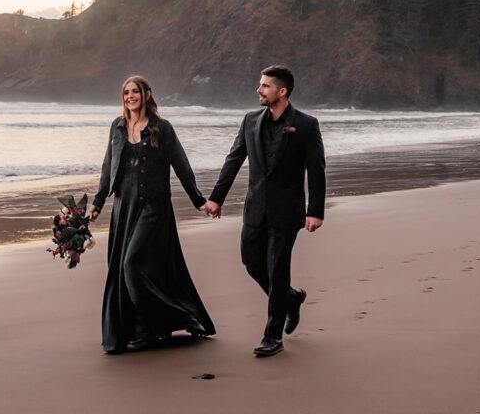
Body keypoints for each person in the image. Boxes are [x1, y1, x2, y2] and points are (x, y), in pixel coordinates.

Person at [200, 65, 325, 357]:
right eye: (260, 85)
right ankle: (291, 298)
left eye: (265, 86)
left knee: (278, 270)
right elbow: (234, 160)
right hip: (255, 208)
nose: (259, 90)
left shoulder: (306, 125)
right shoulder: (250, 120)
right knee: (252, 263)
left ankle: (273, 336)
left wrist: (315, 210)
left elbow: (316, 170)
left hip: (287, 210)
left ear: (282, 91)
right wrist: (217, 198)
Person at [90, 75, 216, 353]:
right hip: (124, 207)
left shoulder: (163, 128)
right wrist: (98, 202)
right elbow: (108, 167)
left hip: (152, 207)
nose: (130, 96)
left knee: (131, 264)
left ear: (147, 94)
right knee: (127, 270)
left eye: (135, 91)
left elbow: (182, 166)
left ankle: (152, 325)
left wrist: (199, 201)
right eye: (126, 92)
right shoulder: (118, 126)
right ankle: (147, 326)